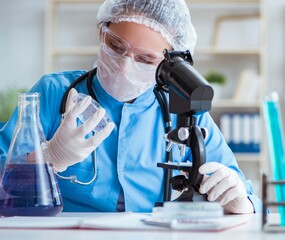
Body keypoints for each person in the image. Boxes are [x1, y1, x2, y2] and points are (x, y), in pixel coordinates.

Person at [0, 0, 261, 213]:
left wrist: (241, 201)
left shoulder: (184, 110)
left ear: (168, 64)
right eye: (115, 46)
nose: (125, 66)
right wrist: (48, 159)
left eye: (146, 59)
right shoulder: (53, 93)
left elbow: (243, 193)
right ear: (101, 32)